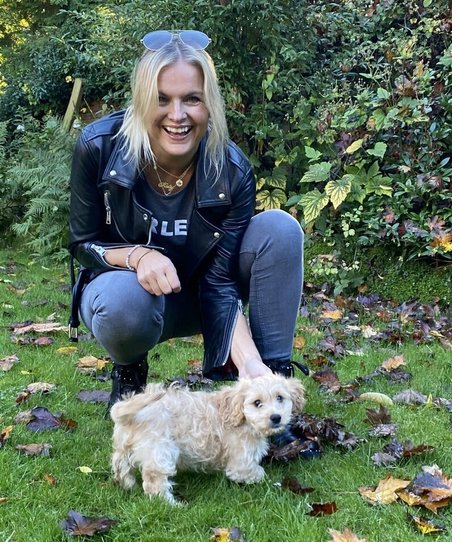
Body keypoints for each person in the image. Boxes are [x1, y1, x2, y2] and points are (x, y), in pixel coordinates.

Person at [68, 29, 307, 412]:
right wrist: (137, 256)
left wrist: (247, 362)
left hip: (200, 296)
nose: (177, 115)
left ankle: (269, 384)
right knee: (121, 302)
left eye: (192, 99)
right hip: (130, 300)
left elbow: (220, 281)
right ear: (141, 101)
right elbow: (82, 244)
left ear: (209, 104)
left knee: (280, 229)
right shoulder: (99, 146)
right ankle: (129, 369)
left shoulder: (231, 171)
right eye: (161, 99)